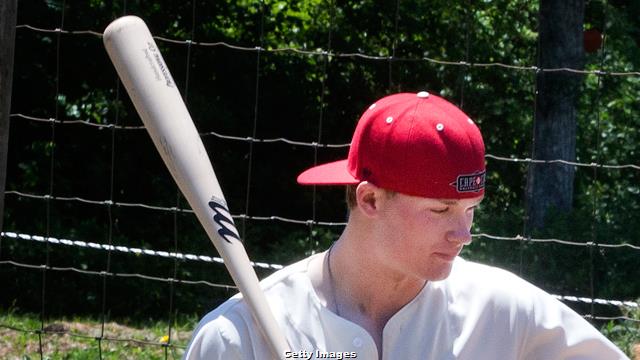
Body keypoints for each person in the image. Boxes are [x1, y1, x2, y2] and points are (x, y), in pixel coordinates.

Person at [184, 92, 628, 359]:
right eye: (440, 211)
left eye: (471, 209)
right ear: (370, 199)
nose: (464, 234)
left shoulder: (503, 310)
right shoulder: (242, 335)